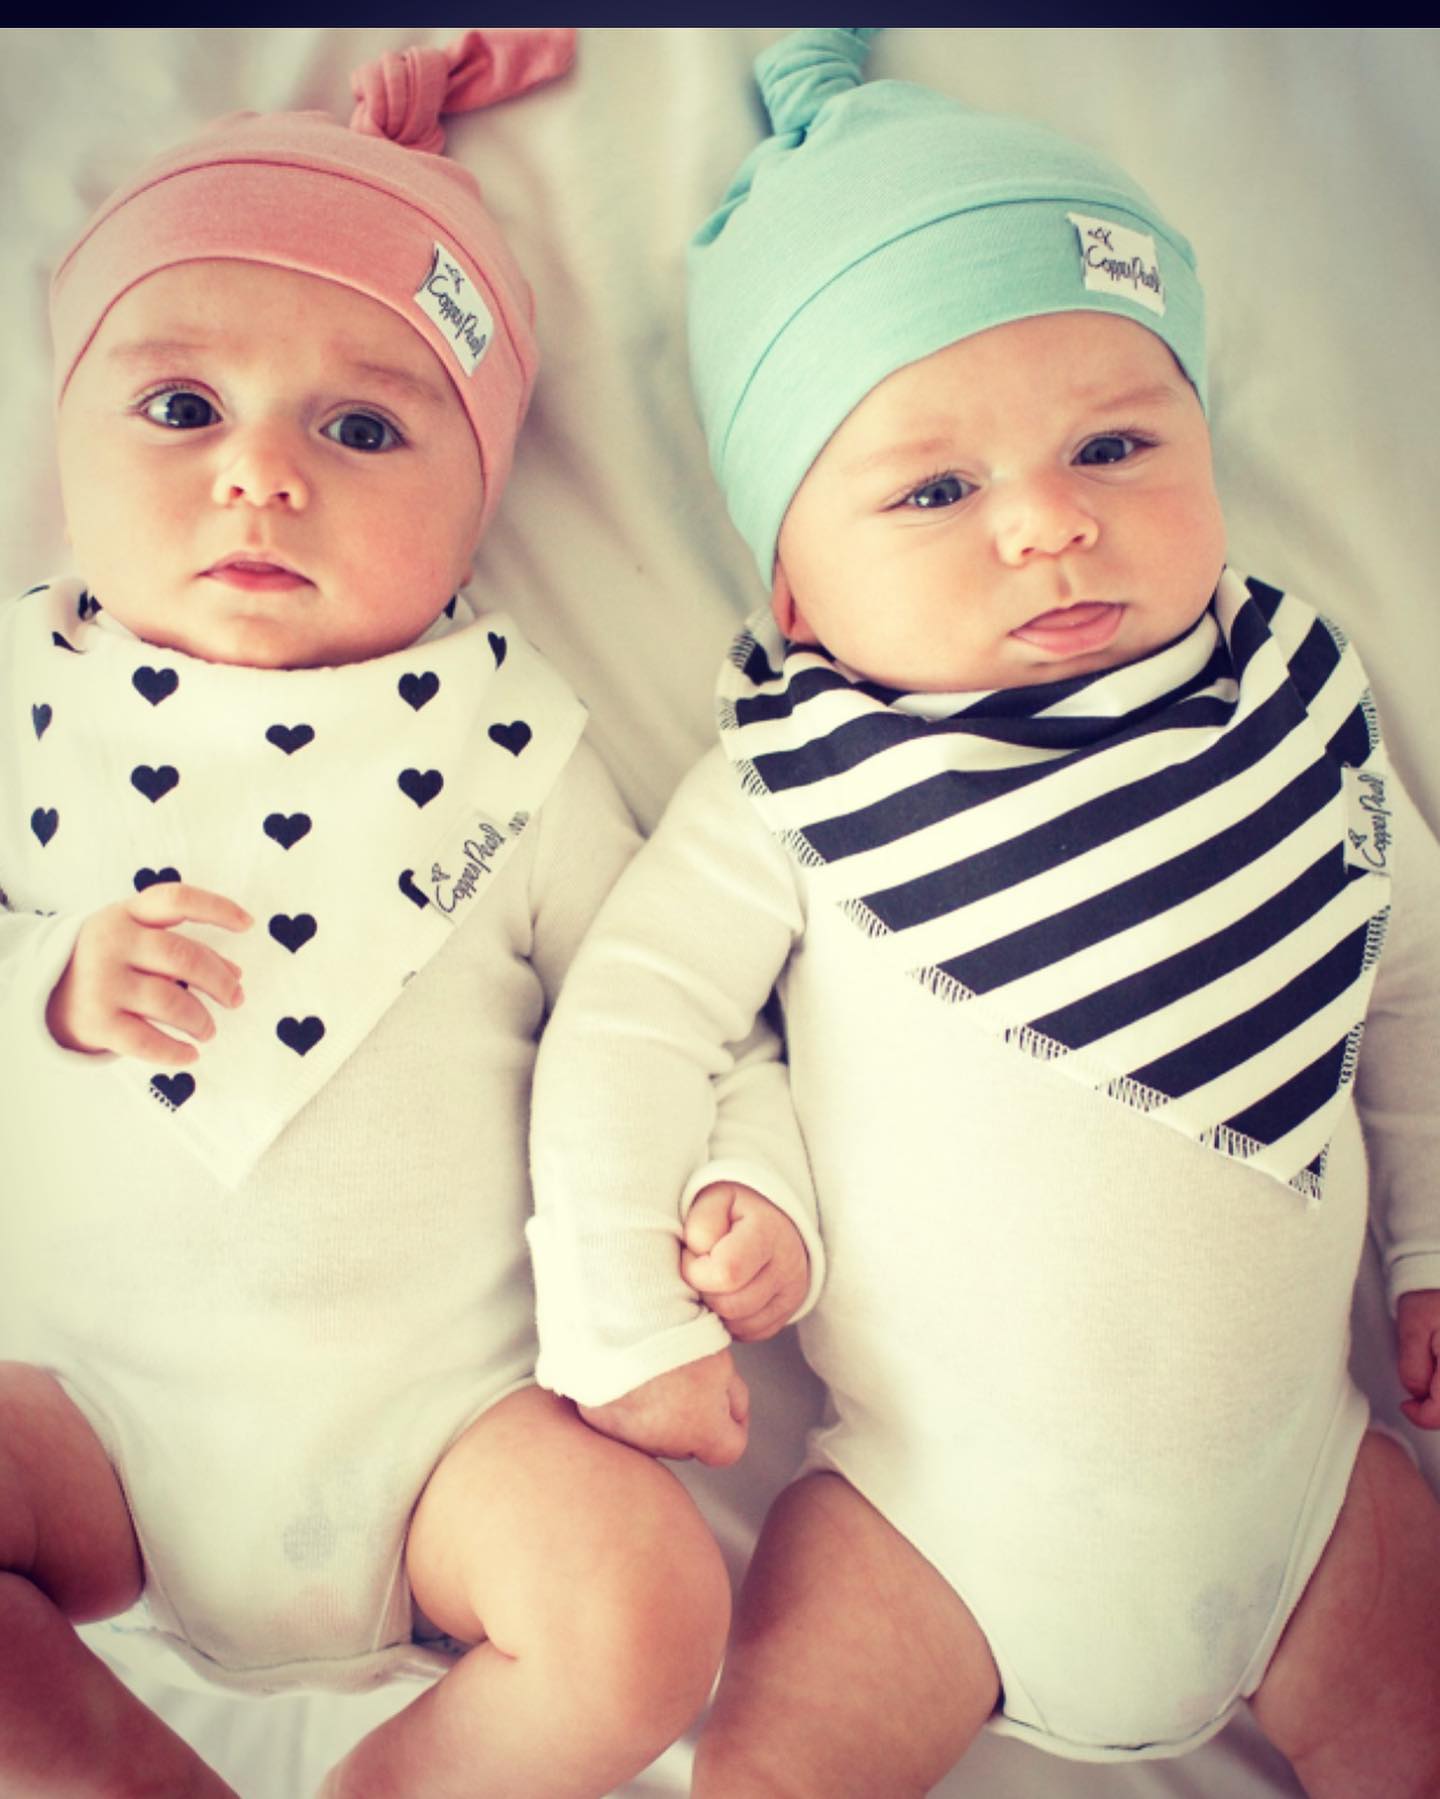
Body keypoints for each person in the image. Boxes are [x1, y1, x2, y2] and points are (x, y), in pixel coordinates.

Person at [528, 28, 1440, 1798]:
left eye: (1113, 444)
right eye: (936, 490)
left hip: (1314, 1496)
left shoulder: (1290, 706)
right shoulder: (800, 786)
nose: (1048, 527)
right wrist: (619, 1318)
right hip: (926, 1519)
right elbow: (633, 1019)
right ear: (797, 582)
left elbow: (1412, 986)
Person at [0, 31, 740, 1799]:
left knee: (651, 1609)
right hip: (85, 1409)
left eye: (361, 425)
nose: (260, 473)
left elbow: (673, 998)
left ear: (477, 500)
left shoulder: (513, 747)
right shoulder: (24, 692)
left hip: (446, 1437)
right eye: (183, 408)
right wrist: (51, 974)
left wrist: (736, 1187)